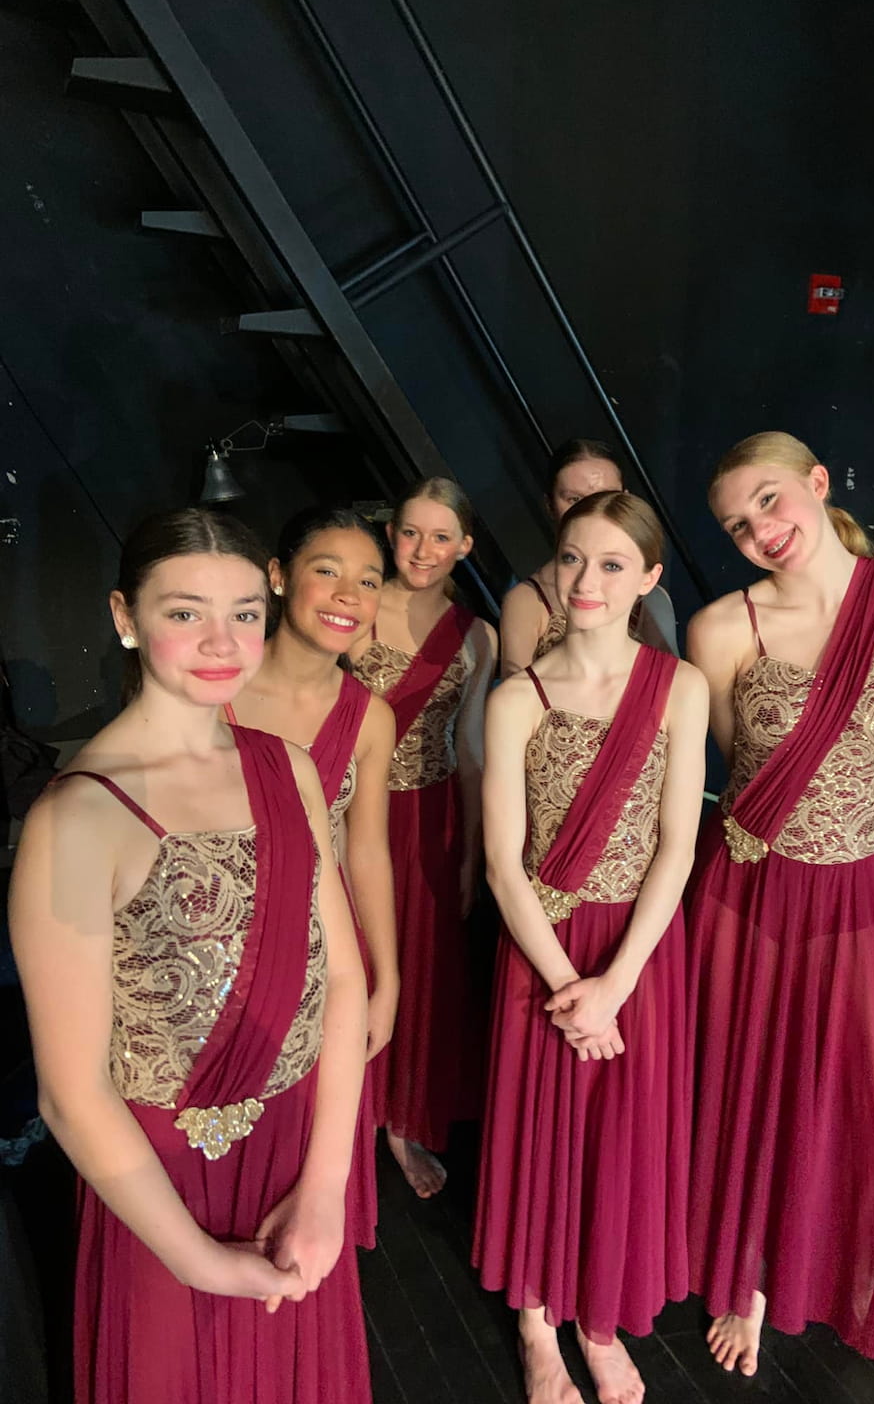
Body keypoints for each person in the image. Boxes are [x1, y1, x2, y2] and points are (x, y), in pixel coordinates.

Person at [9, 508, 370, 1404]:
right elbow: (71, 1092)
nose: (222, 642)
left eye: (245, 612)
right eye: (185, 613)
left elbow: (345, 979)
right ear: (126, 617)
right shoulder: (78, 817)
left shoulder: (285, 766)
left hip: (297, 1152)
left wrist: (327, 1186)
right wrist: (201, 1263)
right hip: (160, 1185)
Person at [686, 432, 874, 1404]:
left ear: (815, 482)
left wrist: (854, 859)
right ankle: (749, 1277)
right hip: (749, 899)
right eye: (736, 523)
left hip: (854, 896)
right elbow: (737, 768)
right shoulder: (720, 628)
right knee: (748, 1099)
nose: (760, 530)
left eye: (769, 501)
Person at [474, 490, 707, 1404]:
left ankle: (601, 1319)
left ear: (649, 577)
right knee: (540, 1129)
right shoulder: (517, 695)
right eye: (572, 558)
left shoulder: (678, 686)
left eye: (612, 564)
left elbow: (678, 846)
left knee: (622, 1132)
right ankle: (538, 1326)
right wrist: (575, 985)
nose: (586, 580)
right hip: (548, 947)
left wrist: (616, 984)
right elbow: (503, 866)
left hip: (639, 951)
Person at [223, 504, 397, 1245]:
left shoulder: (370, 717)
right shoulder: (214, 681)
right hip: (218, 946)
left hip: (322, 959)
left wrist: (387, 980)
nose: (348, 595)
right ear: (277, 575)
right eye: (327, 570)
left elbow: (367, 853)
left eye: (368, 580)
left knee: (303, 1158)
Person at [349, 478, 496, 1197]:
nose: (424, 549)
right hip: (356, 816)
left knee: (421, 970)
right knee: (356, 959)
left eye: (442, 536)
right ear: (390, 533)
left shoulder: (477, 635)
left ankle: (400, 1123)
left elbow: (470, 747)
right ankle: (345, 1118)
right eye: (411, 532)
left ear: (465, 546)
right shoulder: (357, 608)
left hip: (431, 818)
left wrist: (471, 849)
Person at [499, 439, 679, 676]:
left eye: (606, 496)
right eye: (574, 499)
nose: (593, 510)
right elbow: (515, 699)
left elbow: (669, 684)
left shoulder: (652, 598)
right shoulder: (526, 601)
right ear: (550, 505)